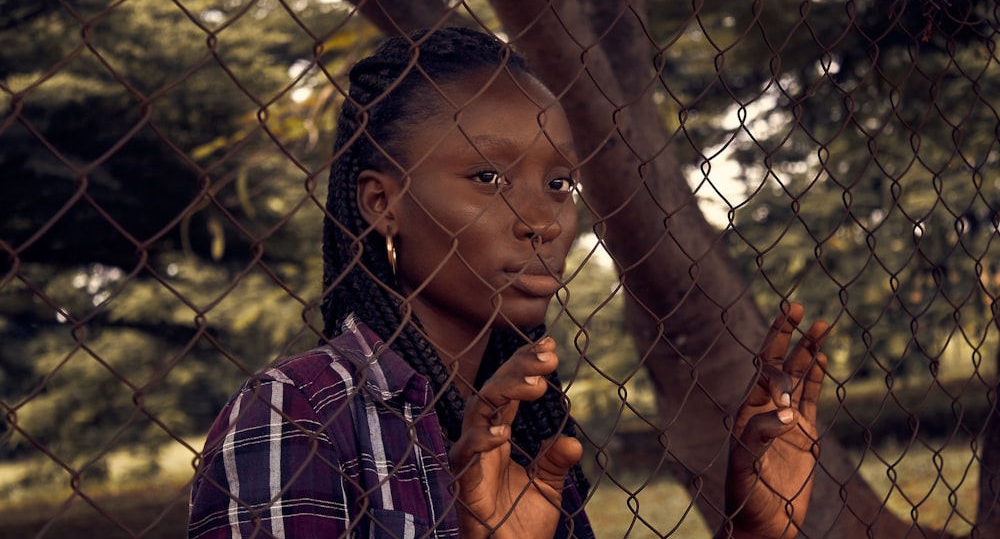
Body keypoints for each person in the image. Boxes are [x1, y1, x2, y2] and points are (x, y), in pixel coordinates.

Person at [188, 27, 829, 539]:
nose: (542, 222)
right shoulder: (299, 414)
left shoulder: (530, 423)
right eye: (488, 178)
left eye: (558, 184)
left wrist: (753, 532)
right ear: (383, 201)